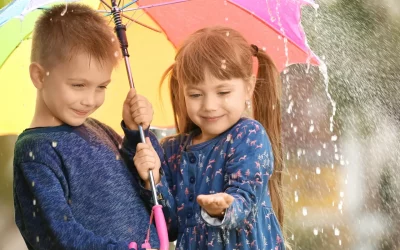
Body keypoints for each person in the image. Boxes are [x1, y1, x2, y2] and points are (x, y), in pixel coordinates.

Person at [13, 3, 159, 249]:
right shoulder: (36, 152)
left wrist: (136, 135)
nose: (90, 100)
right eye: (78, 85)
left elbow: (145, 196)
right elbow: (57, 237)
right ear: (39, 76)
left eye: (101, 87)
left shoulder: (98, 129)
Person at [133, 26, 286, 249]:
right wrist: (152, 180)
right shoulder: (171, 151)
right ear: (182, 92)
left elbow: (245, 200)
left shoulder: (248, 136)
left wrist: (225, 207)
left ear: (249, 87)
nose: (209, 106)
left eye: (223, 93)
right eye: (195, 94)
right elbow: (171, 227)